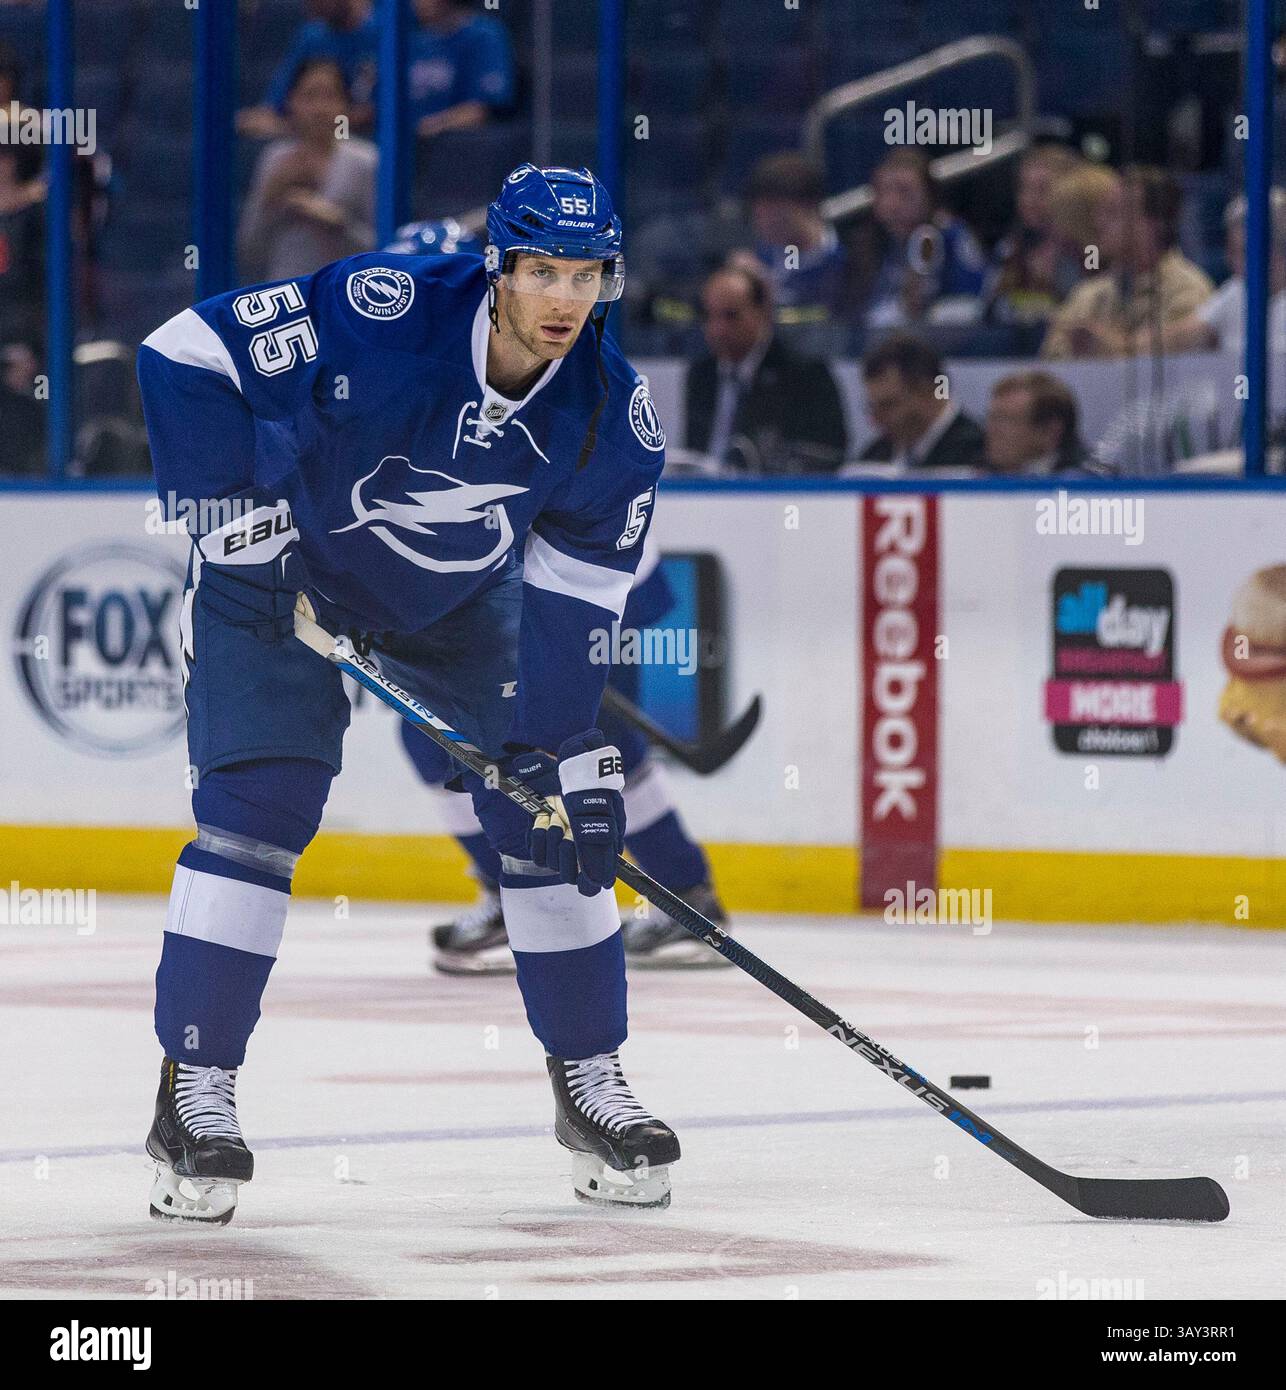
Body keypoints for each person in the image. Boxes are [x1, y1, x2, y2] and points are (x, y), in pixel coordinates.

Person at [137, 164, 680, 1222]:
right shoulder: (382, 309)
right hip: (275, 580)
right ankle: (193, 1093)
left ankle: (590, 1081)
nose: (564, 298)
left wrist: (557, 744)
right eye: (541, 271)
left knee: (547, 812)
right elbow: (184, 351)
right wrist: (224, 507)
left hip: (461, 604)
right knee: (256, 816)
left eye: (587, 276)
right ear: (499, 267)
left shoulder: (611, 418)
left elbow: (575, 600)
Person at [380, 222, 731, 972]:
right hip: (567, 585)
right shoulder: (442, 368)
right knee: (452, 737)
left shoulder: (522, 358)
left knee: (561, 742)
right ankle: (670, 894)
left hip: (603, 582)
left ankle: (668, 897)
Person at [685, 263, 848, 472]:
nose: (718, 330)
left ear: (762, 311)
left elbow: (826, 454)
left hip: (775, 497)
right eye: (710, 316)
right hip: (701, 497)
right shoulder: (701, 375)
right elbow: (693, 453)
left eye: (731, 316)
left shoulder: (805, 374)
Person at [1041, 165, 1213, 359]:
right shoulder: (1087, 295)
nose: (1099, 222)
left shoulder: (1187, 292)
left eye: (1114, 212)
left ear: (1154, 223)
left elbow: (1181, 373)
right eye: (1101, 212)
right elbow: (1051, 362)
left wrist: (1105, 347)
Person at [237, 59, 377, 283]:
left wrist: (338, 223)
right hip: (282, 292)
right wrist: (270, 198)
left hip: (344, 292)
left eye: (330, 97)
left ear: (345, 105)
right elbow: (248, 251)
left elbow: (384, 249)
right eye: (309, 96)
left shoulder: (365, 161)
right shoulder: (275, 158)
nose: (319, 109)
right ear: (291, 101)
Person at [852, 148, 987, 331]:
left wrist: (921, 309)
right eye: (883, 192)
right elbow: (855, 313)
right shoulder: (868, 242)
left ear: (929, 195)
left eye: (904, 192)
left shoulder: (951, 237)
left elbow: (973, 305)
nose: (892, 204)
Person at [1139, 190, 1286, 354]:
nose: (1232, 262)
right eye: (1231, 251)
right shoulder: (1235, 291)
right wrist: (1125, 345)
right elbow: (1177, 339)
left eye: (1243, 252)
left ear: (1277, 249)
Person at [740, 152, 856, 348]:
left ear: (808, 206)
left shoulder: (846, 261)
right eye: (759, 214)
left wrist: (765, 289)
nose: (764, 223)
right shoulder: (761, 253)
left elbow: (832, 318)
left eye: (775, 214)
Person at [237, 0, 377, 141]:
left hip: (369, 142)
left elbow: (370, 113)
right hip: (311, 143)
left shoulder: (386, 30)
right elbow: (272, 108)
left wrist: (312, 125)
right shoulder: (311, 36)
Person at [984, 144, 1084, 325]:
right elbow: (988, 311)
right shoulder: (1010, 248)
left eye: (1042, 189)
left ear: (1070, 193)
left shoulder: (1090, 248)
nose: (1029, 199)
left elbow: (1091, 299)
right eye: (1025, 188)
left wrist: (1055, 282)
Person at [855, 333, 985, 471]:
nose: (875, 420)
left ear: (928, 392)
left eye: (889, 405)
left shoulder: (979, 456)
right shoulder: (875, 457)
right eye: (872, 407)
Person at [409, 0, 515, 143]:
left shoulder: (483, 35)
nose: (419, 3)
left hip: (456, 146)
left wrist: (434, 125)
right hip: (400, 145)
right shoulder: (413, 39)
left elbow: (482, 110)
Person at [984, 370, 1103, 476]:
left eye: (1008, 420)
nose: (992, 430)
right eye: (992, 418)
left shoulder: (1097, 487)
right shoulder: (977, 475)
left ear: (1050, 431)